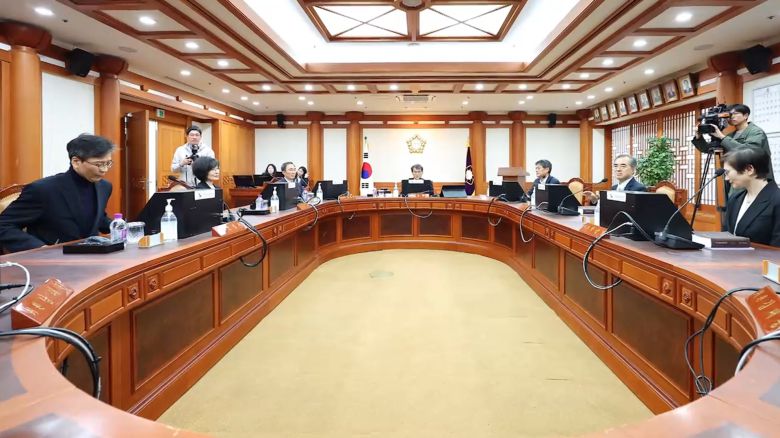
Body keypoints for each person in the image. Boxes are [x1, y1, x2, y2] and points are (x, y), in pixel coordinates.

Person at [0, 134, 115, 253]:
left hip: (92, 256)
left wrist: (119, 227)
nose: (104, 170)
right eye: (98, 164)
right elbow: (3, 224)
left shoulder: (104, 187)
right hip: (53, 259)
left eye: (108, 163)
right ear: (76, 162)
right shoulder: (43, 189)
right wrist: (40, 248)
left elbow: (96, 217)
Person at [692, 104, 772, 183]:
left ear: (745, 115)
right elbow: (709, 149)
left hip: (754, 179)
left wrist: (722, 137)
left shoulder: (756, 132)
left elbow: (747, 151)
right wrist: (699, 137)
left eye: (735, 113)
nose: (731, 116)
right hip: (736, 178)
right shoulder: (730, 136)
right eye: (729, 115)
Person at [723, 148, 780, 247]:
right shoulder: (735, 198)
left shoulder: (776, 199)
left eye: (728, 172)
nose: (726, 178)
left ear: (749, 169)